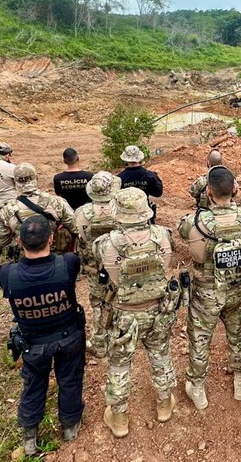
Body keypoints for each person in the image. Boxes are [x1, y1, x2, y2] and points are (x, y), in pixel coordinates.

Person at [93, 188, 178, 438]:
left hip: (124, 315)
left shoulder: (105, 243)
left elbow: (103, 275)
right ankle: (164, 405)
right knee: (160, 355)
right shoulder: (164, 235)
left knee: (119, 364)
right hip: (158, 310)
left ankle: (119, 419)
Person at [0, 215, 85, 456]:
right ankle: (69, 426)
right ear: (51, 238)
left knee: (34, 384)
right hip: (68, 336)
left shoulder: (8, 274)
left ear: (19, 241)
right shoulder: (67, 263)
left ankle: (29, 435)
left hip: (32, 343)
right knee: (70, 379)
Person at [178, 166, 241, 410]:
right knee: (239, 334)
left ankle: (198, 388)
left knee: (200, 339)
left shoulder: (194, 222)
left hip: (206, 293)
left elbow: (183, 233)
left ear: (208, 191)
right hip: (238, 290)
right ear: (235, 188)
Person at [75, 171, 121, 357]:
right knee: (120, 301)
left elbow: (78, 237)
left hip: (94, 268)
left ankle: (100, 342)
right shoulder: (122, 210)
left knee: (97, 303)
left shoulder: (80, 213)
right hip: (118, 266)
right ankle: (120, 339)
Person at [0, 163, 78, 261]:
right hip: (54, 256)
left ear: (15, 182)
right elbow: (75, 227)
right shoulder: (56, 203)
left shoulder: (8, 210)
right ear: (36, 178)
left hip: (24, 259)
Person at [117, 145, 163, 222]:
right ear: (139, 157)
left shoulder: (120, 178)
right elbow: (158, 193)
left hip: (126, 215)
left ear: (125, 158)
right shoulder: (150, 176)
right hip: (145, 213)